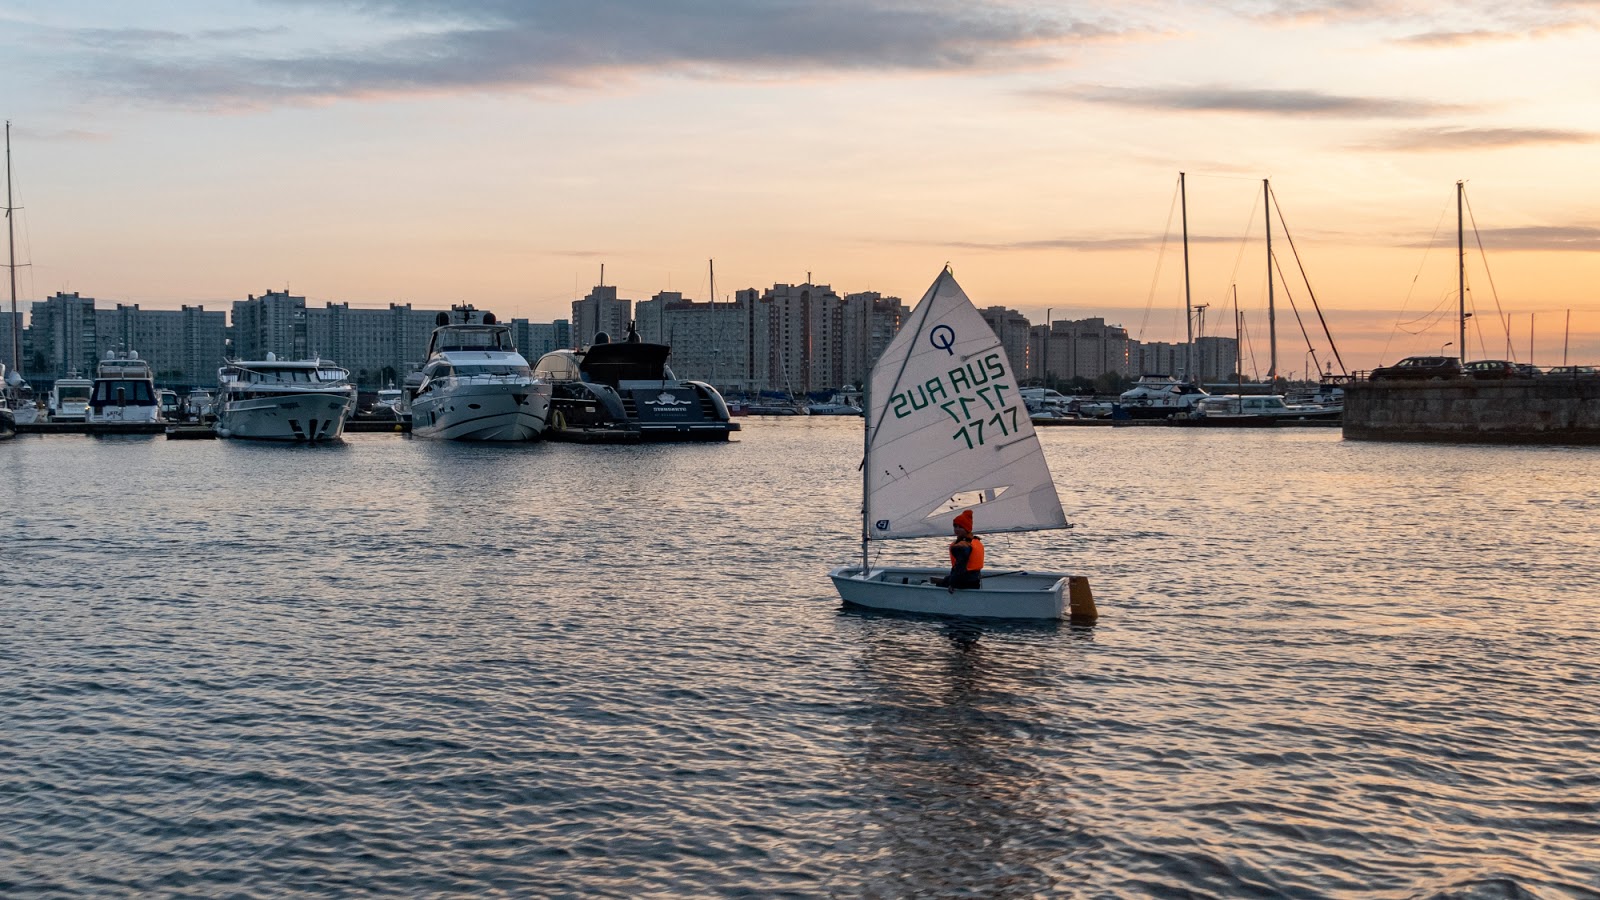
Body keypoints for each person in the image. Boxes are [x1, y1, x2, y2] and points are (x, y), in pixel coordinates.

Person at [933, 509, 984, 591]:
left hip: (963, 583)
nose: (957, 529)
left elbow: (960, 567)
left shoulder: (962, 546)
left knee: (939, 583)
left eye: (960, 527)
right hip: (974, 582)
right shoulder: (975, 541)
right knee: (944, 580)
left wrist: (952, 584)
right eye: (955, 526)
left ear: (967, 529)